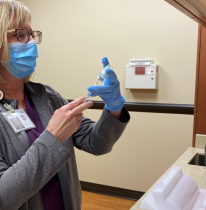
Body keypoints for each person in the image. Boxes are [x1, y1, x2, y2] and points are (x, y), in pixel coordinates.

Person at [0, 1, 130, 210]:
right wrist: (53, 138)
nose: (32, 42)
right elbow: (3, 199)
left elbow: (97, 143)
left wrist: (113, 107)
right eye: (21, 34)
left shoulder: (46, 96)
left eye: (32, 34)